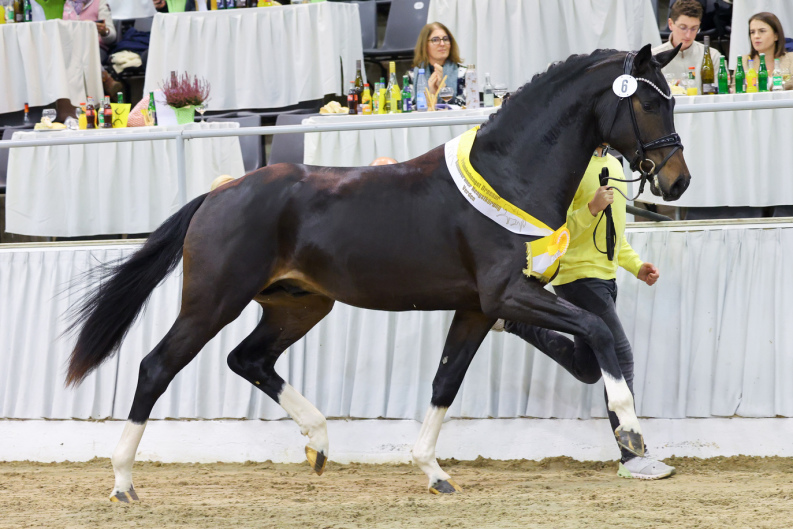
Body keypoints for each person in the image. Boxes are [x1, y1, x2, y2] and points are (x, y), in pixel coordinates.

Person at [494, 146, 676, 480]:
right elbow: (555, 231)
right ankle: (633, 456)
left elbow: (614, 234)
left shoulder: (615, 166)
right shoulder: (570, 164)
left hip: (605, 280)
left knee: (589, 368)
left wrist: (636, 266)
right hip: (577, 278)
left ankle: (515, 322)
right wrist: (590, 208)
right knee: (619, 358)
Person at [652, 0, 722, 94]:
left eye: (694, 28)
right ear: (670, 24)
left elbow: (720, 95)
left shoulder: (713, 56)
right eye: (683, 27)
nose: (688, 35)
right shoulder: (654, 57)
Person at [409, 22, 466, 106]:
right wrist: (430, 95)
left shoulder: (463, 73)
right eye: (435, 40)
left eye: (445, 39)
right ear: (424, 45)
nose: (442, 44)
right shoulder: (413, 75)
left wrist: (443, 89)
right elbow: (407, 107)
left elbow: (466, 107)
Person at [738, 12, 793, 91]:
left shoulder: (791, 59)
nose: (756, 36)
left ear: (776, 36)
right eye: (752, 32)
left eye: (762, 31)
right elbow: (736, 92)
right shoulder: (743, 62)